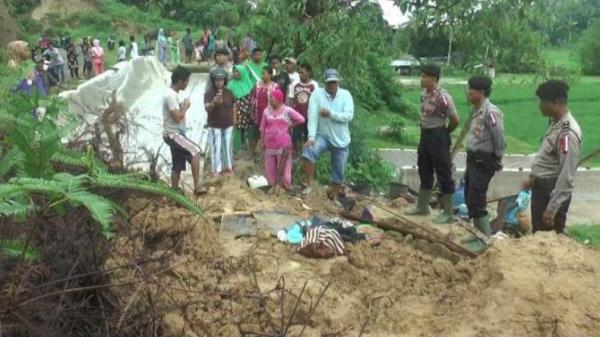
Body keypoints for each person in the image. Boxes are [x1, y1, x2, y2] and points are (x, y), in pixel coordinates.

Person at [521, 80, 582, 233]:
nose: (539, 106)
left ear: (556, 102)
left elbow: (566, 175)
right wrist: (533, 178)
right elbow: (549, 159)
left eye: (542, 102)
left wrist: (552, 208)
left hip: (551, 193)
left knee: (548, 244)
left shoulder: (567, 134)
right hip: (542, 189)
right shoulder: (556, 124)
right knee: (539, 239)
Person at [405, 65, 460, 224]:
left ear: (434, 79)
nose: (421, 79)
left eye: (424, 76)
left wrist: (445, 133)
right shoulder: (424, 95)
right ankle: (422, 206)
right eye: (421, 76)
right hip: (426, 136)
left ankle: (448, 212)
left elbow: (455, 119)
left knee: (443, 173)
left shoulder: (443, 97)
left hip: (438, 136)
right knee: (424, 169)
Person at [302, 69, 354, 201]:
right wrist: (311, 137)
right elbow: (312, 116)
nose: (332, 85)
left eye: (334, 82)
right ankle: (310, 185)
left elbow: (348, 116)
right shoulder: (317, 94)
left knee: (339, 168)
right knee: (309, 150)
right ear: (325, 82)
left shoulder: (345, 95)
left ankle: (335, 196)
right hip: (323, 135)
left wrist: (331, 114)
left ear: (338, 82)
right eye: (329, 82)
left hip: (341, 139)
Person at [464, 76, 505, 237]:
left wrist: (498, 157)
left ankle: (483, 237)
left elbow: (499, 135)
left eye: (471, 90)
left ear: (481, 92)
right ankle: (477, 233)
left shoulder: (491, 112)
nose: (468, 93)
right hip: (473, 159)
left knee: (476, 198)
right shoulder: (477, 110)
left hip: (483, 161)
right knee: (470, 196)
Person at [163, 66, 206, 195]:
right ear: (181, 81)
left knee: (177, 164)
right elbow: (177, 118)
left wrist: (182, 107)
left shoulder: (172, 95)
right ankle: (197, 186)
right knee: (195, 151)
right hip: (173, 134)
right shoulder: (170, 96)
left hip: (172, 133)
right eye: (187, 81)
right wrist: (185, 107)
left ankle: (174, 191)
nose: (188, 84)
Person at [260, 88, 305, 190]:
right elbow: (262, 128)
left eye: (271, 98)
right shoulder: (266, 111)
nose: (269, 100)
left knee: (284, 169)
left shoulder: (287, 110)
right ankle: (272, 188)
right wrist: (262, 141)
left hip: (283, 145)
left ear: (278, 99)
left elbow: (301, 119)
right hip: (269, 145)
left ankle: (286, 188)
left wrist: (290, 125)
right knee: (270, 169)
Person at [204, 69, 236, 176]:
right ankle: (216, 170)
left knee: (228, 146)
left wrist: (234, 119)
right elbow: (207, 108)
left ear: (224, 81)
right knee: (215, 147)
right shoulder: (209, 93)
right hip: (214, 124)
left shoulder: (229, 92)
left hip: (228, 123)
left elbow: (234, 106)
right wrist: (213, 102)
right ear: (213, 81)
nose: (219, 82)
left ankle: (228, 167)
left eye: (221, 80)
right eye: (217, 80)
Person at [251, 66, 280, 156]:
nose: (262, 75)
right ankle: (252, 153)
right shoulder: (257, 85)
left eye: (264, 73)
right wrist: (252, 112)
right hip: (257, 113)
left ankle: (268, 153)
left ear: (270, 75)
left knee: (268, 134)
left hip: (269, 115)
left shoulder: (275, 87)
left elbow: (278, 101)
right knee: (255, 134)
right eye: (262, 73)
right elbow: (253, 99)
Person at [291, 63, 319, 156]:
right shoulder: (295, 84)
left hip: (310, 116)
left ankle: (307, 155)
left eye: (302, 72)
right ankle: (298, 154)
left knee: (308, 135)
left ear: (309, 72)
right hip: (297, 116)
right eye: (299, 72)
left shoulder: (314, 85)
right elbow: (290, 99)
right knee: (296, 136)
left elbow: (317, 100)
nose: (300, 74)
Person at [227, 64, 256, 152]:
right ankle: (237, 147)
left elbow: (253, 98)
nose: (235, 74)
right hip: (237, 109)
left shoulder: (249, 83)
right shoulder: (231, 84)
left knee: (249, 127)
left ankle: (251, 147)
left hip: (248, 109)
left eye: (237, 72)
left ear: (243, 73)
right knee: (238, 127)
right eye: (234, 72)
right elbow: (229, 99)